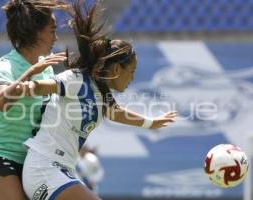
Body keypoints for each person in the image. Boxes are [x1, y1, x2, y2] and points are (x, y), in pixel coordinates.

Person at [17, 1, 178, 199]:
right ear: (117, 69)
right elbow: (45, 86)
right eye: (132, 71)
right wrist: (30, 86)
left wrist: (150, 122)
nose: (133, 78)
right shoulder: (77, 80)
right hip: (44, 167)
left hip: (62, 171)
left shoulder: (100, 94)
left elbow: (116, 113)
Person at [0, 1, 69, 200]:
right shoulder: (7, 64)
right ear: (35, 32)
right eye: (52, 30)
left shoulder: (46, 67)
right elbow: (2, 102)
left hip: (33, 162)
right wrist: (30, 72)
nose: (56, 37)